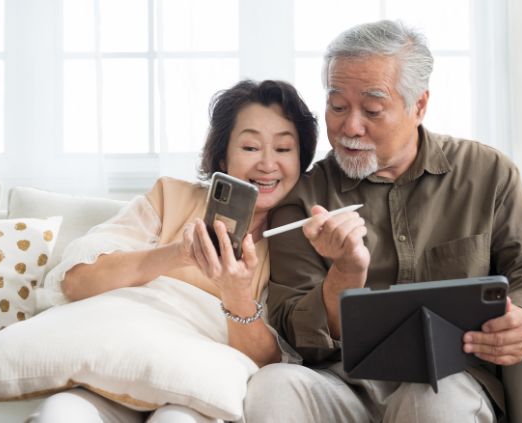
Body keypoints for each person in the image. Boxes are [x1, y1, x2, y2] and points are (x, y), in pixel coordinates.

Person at [244, 20, 522, 423]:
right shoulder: (303, 201)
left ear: (419, 105)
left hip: (452, 379)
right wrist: (345, 272)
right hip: (343, 383)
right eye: (337, 106)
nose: (349, 127)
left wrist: (521, 314)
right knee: (273, 386)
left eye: (373, 109)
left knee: (429, 398)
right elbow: (295, 333)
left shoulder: (486, 173)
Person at [28, 79, 318, 423]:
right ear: (223, 155)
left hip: (196, 389)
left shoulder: (295, 240)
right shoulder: (170, 197)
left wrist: (235, 293)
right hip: (117, 367)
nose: (267, 164)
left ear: (301, 160)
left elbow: (270, 363)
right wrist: (177, 254)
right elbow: (76, 281)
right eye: (251, 147)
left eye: (283, 150)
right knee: (61, 414)